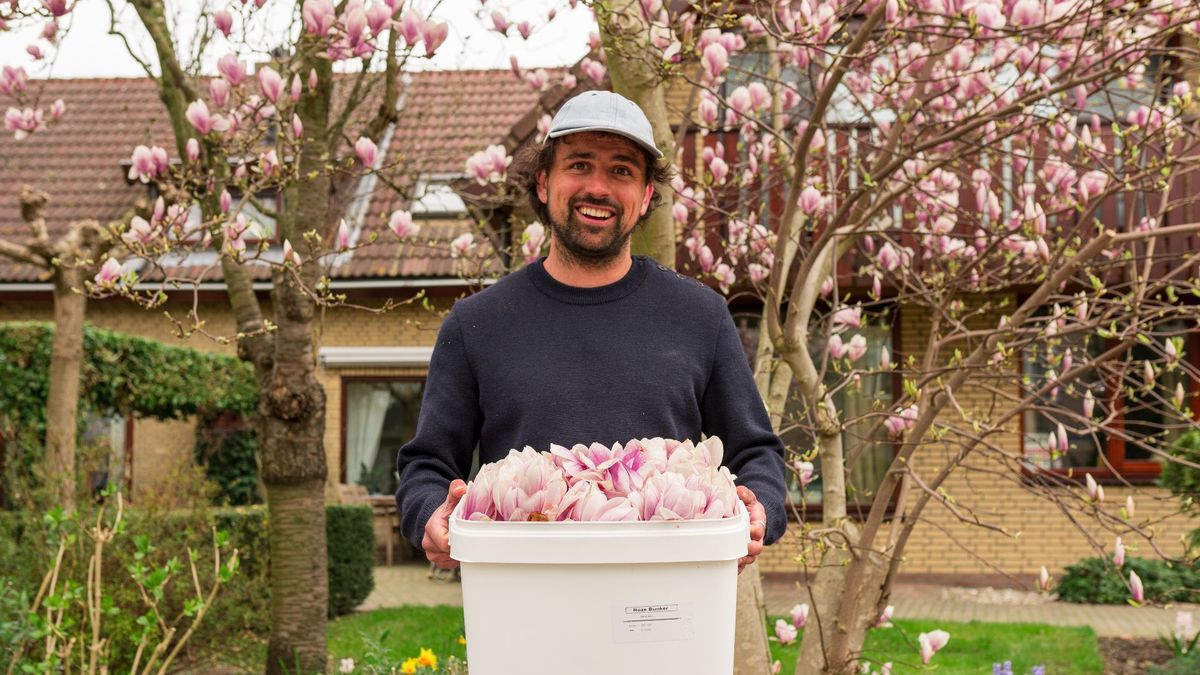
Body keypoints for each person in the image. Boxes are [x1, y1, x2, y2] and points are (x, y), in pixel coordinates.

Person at [395, 90, 787, 572]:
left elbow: (756, 452)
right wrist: (430, 514)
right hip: (522, 600)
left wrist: (759, 509)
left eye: (621, 170)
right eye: (579, 165)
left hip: (668, 601)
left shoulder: (699, 315)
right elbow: (427, 465)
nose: (598, 187)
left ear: (645, 197)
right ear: (543, 182)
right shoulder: (476, 323)